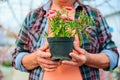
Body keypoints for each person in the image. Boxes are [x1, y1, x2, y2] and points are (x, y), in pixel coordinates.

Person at [12, 0, 119, 80]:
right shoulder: (34, 16)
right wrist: (36, 59)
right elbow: (16, 57)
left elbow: (113, 56)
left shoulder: (93, 15)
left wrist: (88, 58)